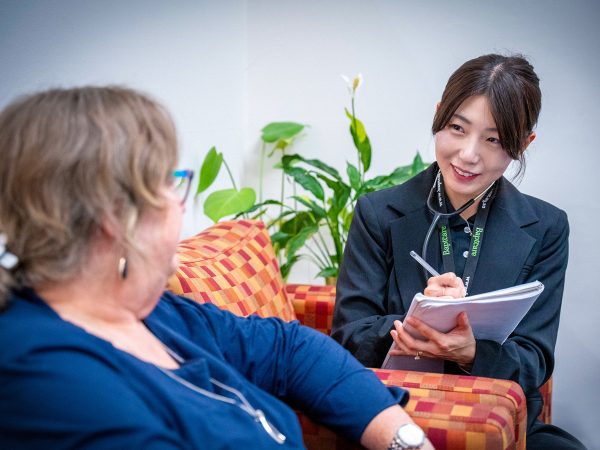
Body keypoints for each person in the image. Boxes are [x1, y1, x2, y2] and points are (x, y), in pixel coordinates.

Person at [0, 87, 434, 450]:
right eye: (170, 182)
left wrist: (406, 443)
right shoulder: (47, 377)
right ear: (115, 218)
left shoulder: (149, 311)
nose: (181, 200)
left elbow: (290, 349)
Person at [332, 54, 585, 450]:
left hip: (500, 421)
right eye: (457, 128)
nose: (468, 155)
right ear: (439, 116)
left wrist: (472, 354)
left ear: (524, 143)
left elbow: (534, 358)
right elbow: (349, 336)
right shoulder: (377, 213)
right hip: (395, 410)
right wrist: (415, 322)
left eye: (495, 139)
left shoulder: (547, 227)